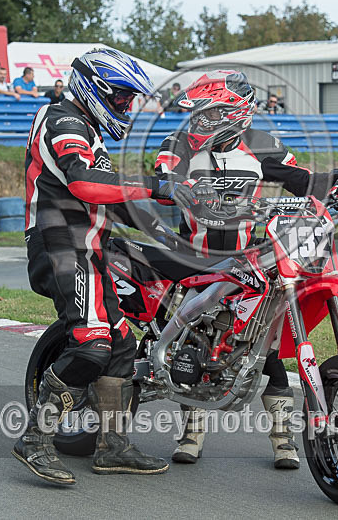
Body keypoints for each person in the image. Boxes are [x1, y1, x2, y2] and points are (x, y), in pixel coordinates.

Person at [154, 70, 338, 470]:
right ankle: (191, 431)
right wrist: (178, 188)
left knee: (268, 351)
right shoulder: (179, 144)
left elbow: (303, 181)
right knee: (196, 342)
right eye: (199, 114)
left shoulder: (262, 145)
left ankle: (283, 439)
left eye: (209, 114)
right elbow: (164, 178)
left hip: (249, 258)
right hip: (194, 257)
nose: (199, 122)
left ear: (235, 113)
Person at [12, 47, 216, 485]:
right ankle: (34, 439)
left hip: (91, 247)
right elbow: (86, 183)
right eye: (121, 98)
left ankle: (112, 446)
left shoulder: (90, 131)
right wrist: (156, 184)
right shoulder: (62, 120)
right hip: (60, 244)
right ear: (94, 88)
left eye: (128, 100)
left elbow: (111, 196)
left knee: (123, 343)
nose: (125, 107)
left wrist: (162, 231)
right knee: (93, 343)